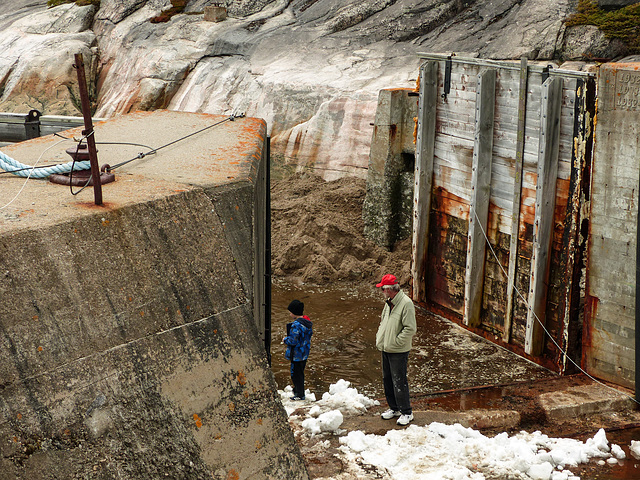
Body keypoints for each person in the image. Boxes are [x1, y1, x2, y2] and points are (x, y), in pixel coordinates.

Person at [375, 274, 417, 426]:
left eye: (383, 289)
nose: (382, 292)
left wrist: (396, 342)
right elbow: (383, 322)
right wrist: (381, 338)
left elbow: (410, 328)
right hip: (386, 348)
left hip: (398, 350)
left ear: (390, 289)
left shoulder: (406, 304)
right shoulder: (389, 303)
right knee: (388, 380)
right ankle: (394, 408)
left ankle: (406, 412)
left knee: (399, 381)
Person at [283, 299, 313, 401]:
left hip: (296, 354)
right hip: (304, 352)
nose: (290, 314)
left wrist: (285, 340)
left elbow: (293, 341)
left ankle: (299, 394)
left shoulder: (296, 325)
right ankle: (299, 391)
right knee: (300, 373)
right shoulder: (307, 322)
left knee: (295, 374)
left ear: (294, 312)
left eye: (290, 312)